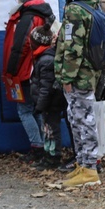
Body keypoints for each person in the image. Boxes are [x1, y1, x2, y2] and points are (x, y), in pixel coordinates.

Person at [54, 0, 103, 187]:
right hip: (86, 74)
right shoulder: (90, 5)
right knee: (78, 119)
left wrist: (66, 78)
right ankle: (83, 165)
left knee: (83, 121)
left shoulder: (75, 10)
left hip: (78, 77)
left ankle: (90, 169)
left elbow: (73, 48)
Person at [1, 0, 55, 162]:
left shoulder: (27, 16)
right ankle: (43, 146)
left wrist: (10, 71)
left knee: (24, 110)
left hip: (26, 70)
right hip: (40, 68)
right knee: (37, 110)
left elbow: (20, 47)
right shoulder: (45, 14)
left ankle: (37, 146)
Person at [27, 23, 66, 170]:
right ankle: (49, 154)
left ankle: (53, 156)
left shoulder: (46, 60)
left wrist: (40, 106)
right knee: (48, 129)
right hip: (49, 102)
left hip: (51, 103)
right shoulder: (44, 57)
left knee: (51, 130)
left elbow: (46, 88)